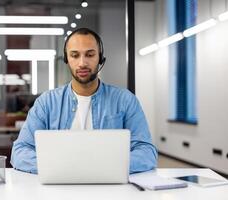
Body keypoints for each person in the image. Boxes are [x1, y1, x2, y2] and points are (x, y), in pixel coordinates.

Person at [11, 27, 157, 174]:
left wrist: (103, 168)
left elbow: (146, 152)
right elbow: (20, 151)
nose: (82, 63)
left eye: (90, 54)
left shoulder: (125, 100)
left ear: (100, 58)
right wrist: (60, 169)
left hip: (109, 188)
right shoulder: (46, 103)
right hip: (60, 188)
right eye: (75, 55)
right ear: (67, 59)